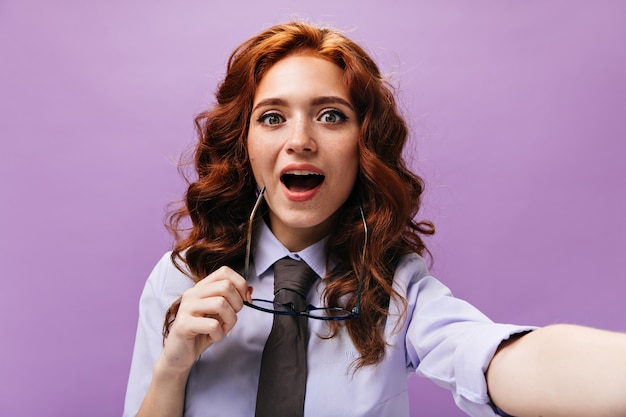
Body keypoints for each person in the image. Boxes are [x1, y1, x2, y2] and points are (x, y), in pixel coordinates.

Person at [124, 21, 626, 417]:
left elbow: (491, 355)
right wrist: (173, 364)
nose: (299, 140)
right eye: (273, 117)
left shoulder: (395, 288)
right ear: (245, 145)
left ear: (364, 144)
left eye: (331, 115)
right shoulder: (180, 277)